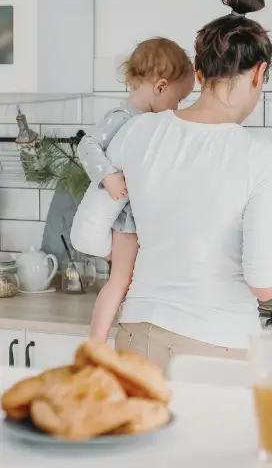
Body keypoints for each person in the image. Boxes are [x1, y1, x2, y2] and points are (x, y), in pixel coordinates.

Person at [72, 0, 272, 372]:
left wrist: (155, 248)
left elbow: (86, 234)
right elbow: (265, 285)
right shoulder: (261, 157)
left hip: (137, 336)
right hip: (218, 345)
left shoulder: (138, 132)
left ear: (200, 72)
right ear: (259, 73)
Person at [73, 37, 194, 341]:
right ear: (161, 86)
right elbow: (87, 145)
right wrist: (108, 176)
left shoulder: (153, 123)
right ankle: (96, 342)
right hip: (128, 220)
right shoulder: (123, 117)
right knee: (120, 281)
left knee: (136, 282)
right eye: (178, 99)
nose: (177, 108)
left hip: (146, 218)